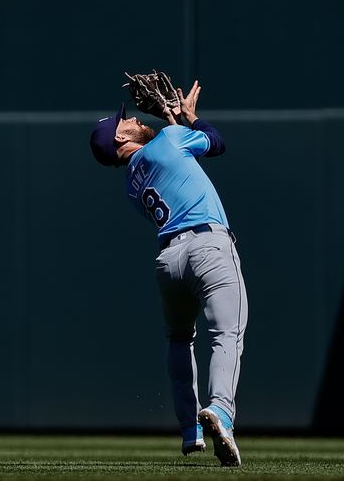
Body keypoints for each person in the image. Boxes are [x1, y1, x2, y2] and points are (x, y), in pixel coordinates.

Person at [89, 81, 249, 467]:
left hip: (170, 261)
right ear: (120, 142)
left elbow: (174, 152)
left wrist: (175, 122)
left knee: (179, 340)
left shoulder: (131, 184)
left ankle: (190, 431)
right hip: (208, 246)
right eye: (123, 123)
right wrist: (189, 118)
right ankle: (221, 414)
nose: (130, 121)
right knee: (226, 333)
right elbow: (216, 142)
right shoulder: (168, 141)